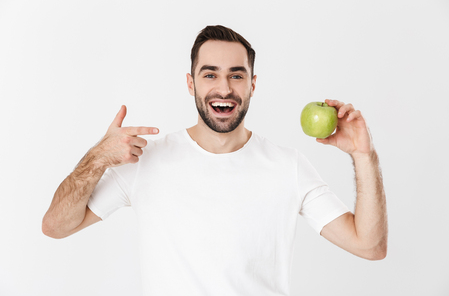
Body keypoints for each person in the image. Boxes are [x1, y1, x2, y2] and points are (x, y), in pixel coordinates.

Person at [42, 25, 387, 295]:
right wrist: (97, 158)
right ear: (191, 84)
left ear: (252, 85)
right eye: (210, 74)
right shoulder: (144, 161)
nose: (224, 88)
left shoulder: (288, 167)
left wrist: (363, 155)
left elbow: (370, 247)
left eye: (236, 75)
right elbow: (56, 226)